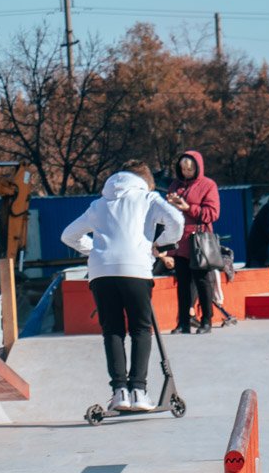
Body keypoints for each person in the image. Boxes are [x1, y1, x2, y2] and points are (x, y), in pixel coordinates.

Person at [61, 161, 184, 412]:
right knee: (140, 328)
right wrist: (160, 244)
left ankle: (119, 393)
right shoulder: (148, 197)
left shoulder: (99, 204)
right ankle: (138, 391)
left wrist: (95, 250)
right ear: (145, 181)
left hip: (101, 273)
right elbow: (177, 220)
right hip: (135, 269)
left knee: (113, 330)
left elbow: (68, 235)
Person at [166, 151, 220, 333]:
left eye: (189, 169)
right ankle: (183, 322)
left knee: (203, 281)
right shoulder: (175, 184)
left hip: (198, 241)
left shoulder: (208, 185)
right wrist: (170, 204)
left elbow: (212, 213)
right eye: (183, 169)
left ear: (197, 167)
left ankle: (207, 320)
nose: (186, 172)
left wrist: (189, 208)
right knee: (182, 282)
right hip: (179, 241)